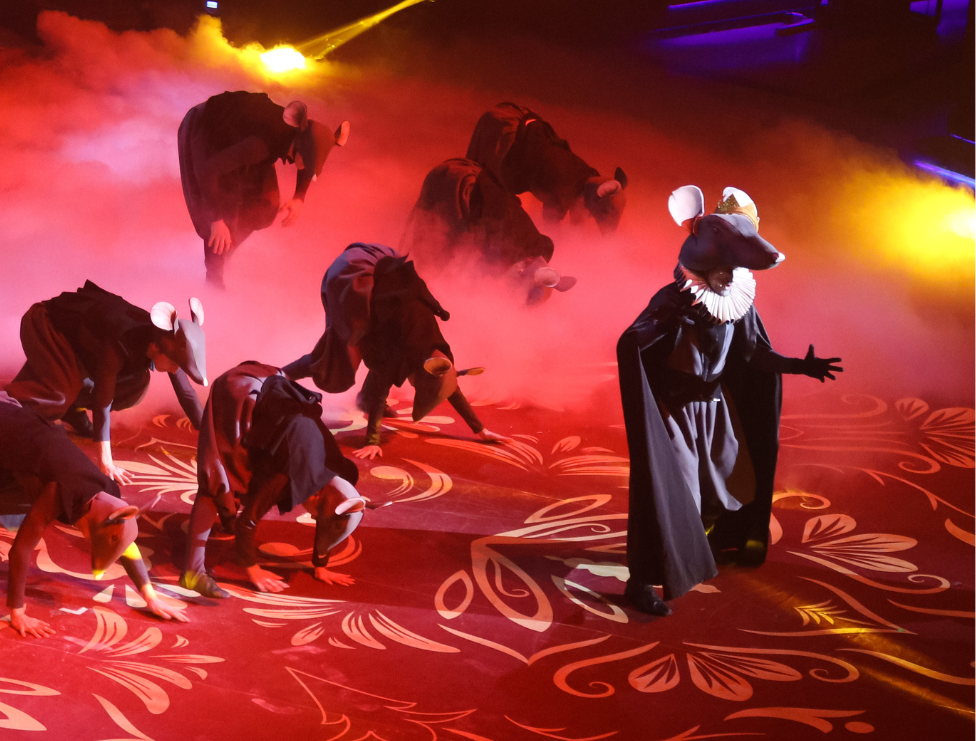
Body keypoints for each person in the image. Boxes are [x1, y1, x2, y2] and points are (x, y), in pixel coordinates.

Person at [617, 186, 842, 617]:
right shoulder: (674, 298)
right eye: (726, 264)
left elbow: (754, 354)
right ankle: (641, 580)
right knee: (671, 494)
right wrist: (668, 323)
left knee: (723, 491)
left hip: (715, 409)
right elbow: (632, 343)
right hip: (675, 411)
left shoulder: (738, 303)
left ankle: (689, 548)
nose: (730, 272)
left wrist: (799, 366)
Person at [283, 244, 510, 459]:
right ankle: (282, 374)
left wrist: (481, 430)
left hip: (383, 280)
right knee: (337, 362)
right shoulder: (405, 347)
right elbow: (381, 387)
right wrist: (372, 441)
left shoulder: (434, 349)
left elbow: (450, 385)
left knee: (379, 359)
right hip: (358, 284)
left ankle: (362, 396)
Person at [1, 392, 187, 638]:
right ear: (89, 523)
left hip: (24, 444)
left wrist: (150, 596)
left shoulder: (109, 493)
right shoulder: (59, 491)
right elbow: (21, 549)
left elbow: (124, 538)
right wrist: (18, 613)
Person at [181, 362, 365, 598]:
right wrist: (252, 569)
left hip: (270, 387)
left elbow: (333, 509)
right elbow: (248, 521)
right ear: (317, 496)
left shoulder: (336, 473)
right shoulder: (289, 473)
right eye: (315, 515)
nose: (311, 517)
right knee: (218, 479)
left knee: (246, 477)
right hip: (240, 391)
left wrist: (320, 566)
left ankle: (225, 517)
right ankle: (192, 572)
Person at [4, 281, 206, 485]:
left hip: (81, 349)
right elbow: (103, 400)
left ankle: (72, 409)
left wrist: (209, 439)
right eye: (173, 363)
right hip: (46, 326)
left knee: (136, 385)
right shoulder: (121, 340)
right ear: (155, 348)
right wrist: (106, 463)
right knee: (57, 397)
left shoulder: (166, 341)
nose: (175, 370)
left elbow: (186, 394)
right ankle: (9, 412)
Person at [178, 90, 350, 287]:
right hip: (208, 131)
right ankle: (214, 279)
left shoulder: (290, 140)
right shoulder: (259, 146)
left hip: (239, 144)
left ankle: (227, 250)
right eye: (305, 162)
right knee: (226, 214)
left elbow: (305, 164)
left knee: (267, 203)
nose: (303, 168)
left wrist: (299, 197)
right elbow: (210, 170)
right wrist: (216, 219)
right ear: (299, 146)